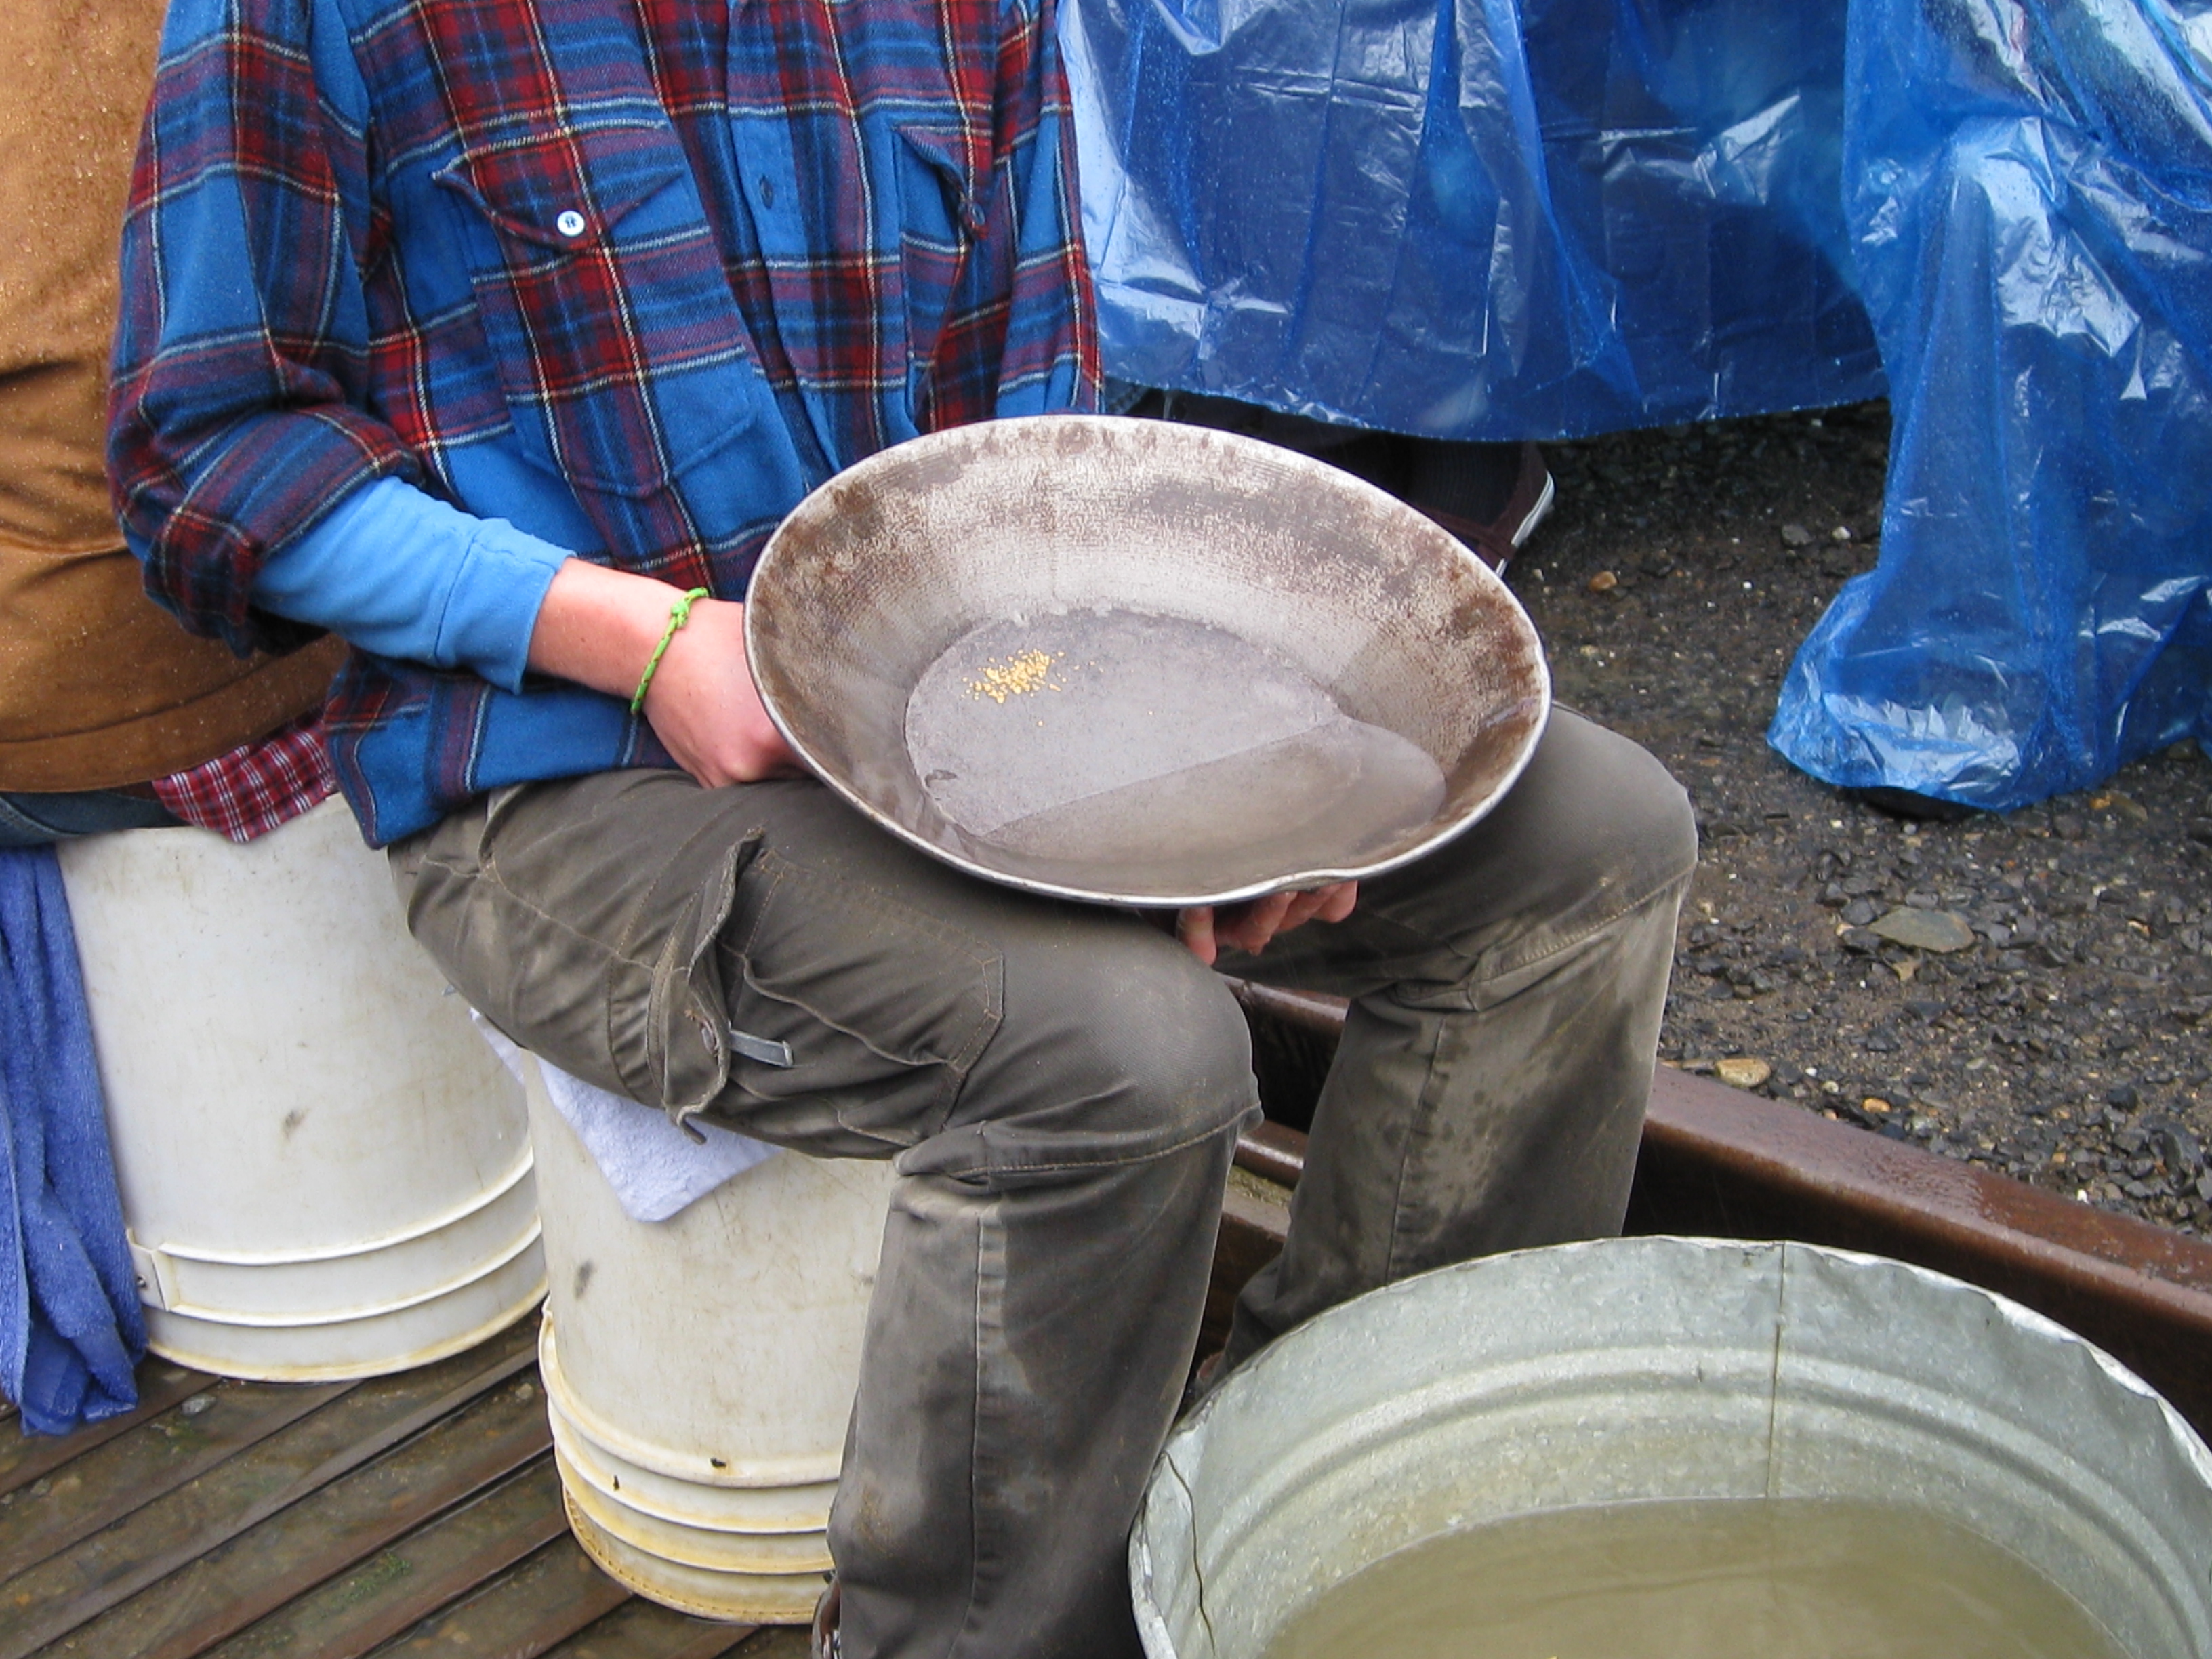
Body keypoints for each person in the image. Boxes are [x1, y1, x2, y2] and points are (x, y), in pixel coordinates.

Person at [110, 0, 1698, 1652]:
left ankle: (1329, 1506)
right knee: (1124, 1058)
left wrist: (1202, 797)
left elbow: (1044, 440)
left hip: (962, 709)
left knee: (1592, 844)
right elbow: (203, 455)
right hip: (564, 764)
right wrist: (633, 637)